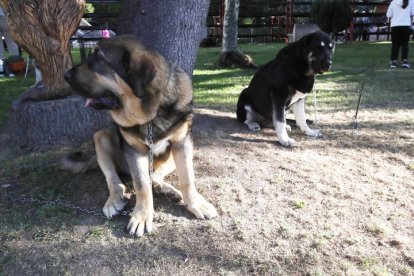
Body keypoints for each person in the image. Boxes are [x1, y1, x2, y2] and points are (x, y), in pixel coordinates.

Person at [387, 0, 414, 68]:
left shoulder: (393, 2)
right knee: (405, 44)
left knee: (395, 44)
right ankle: (404, 61)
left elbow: (389, 14)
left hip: (395, 25)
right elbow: (412, 13)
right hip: (406, 24)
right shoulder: (410, 1)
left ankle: (394, 61)